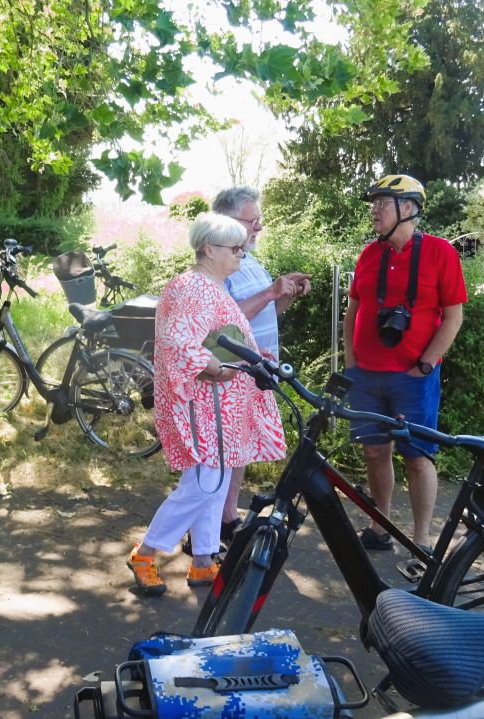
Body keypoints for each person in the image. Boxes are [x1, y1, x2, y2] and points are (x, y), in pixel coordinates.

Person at [127, 213, 287, 596]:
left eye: (242, 248)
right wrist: (217, 368)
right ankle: (145, 554)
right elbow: (178, 342)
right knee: (203, 485)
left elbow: (220, 338)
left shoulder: (211, 287)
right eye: (235, 248)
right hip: (205, 405)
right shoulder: (191, 287)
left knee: (213, 485)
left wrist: (253, 356)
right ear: (208, 249)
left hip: (220, 408)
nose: (241, 254)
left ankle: (203, 561)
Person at [342, 175, 467, 551]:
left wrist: (425, 366)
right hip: (366, 376)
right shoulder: (369, 253)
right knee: (374, 451)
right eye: (375, 203)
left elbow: (453, 317)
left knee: (418, 457)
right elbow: (353, 311)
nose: (375, 210)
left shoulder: (440, 252)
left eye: (384, 202)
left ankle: (421, 539)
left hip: (413, 378)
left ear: (409, 208)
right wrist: (351, 362)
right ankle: (379, 527)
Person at [209, 186, 310, 547]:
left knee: (238, 451)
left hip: (255, 374)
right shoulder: (218, 266)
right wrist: (270, 292)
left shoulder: (248, 260)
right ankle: (203, 534)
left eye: (259, 220)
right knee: (218, 457)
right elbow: (223, 326)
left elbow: (265, 314)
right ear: (226, 220)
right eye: (251, 221)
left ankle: (226, 519)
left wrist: (285, 294)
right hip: (229, 374)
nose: (259, 227)